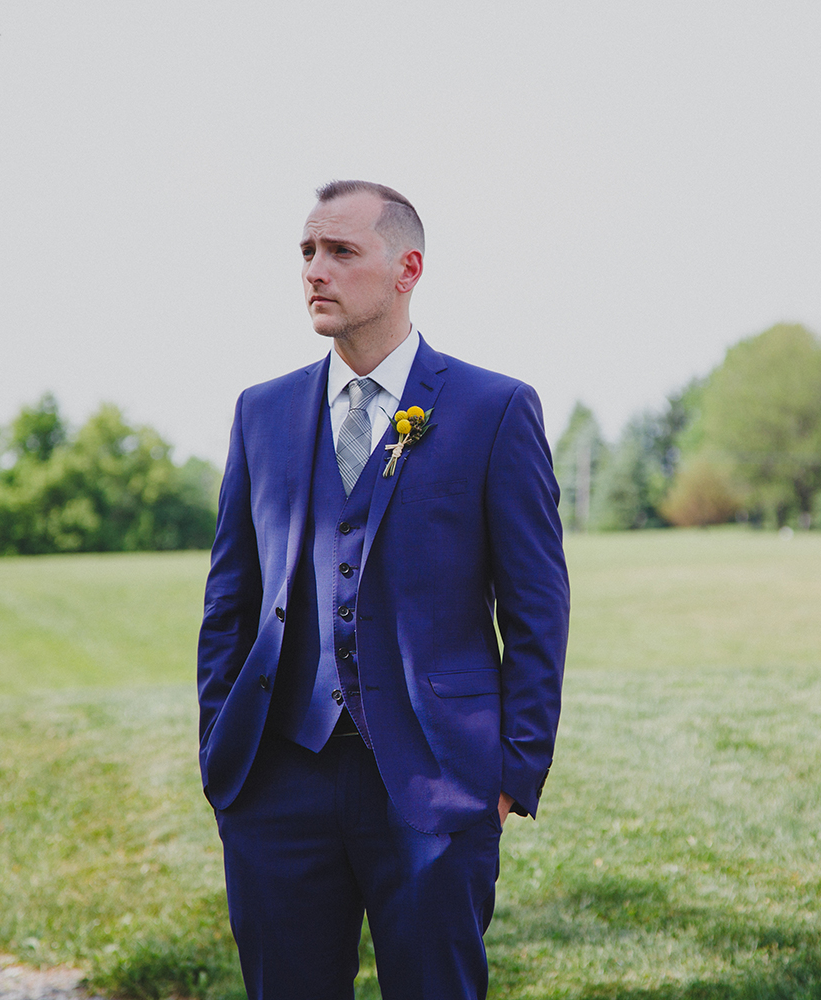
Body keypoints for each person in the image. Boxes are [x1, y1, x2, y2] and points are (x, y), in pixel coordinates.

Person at [197, 181, 569, 999]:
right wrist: (221, 754)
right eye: (305, 252)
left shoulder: (493, 408)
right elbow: (229, 600)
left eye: (340, 252)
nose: (314, 272)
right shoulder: (260, 412)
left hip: (437, 783)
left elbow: (537, 607)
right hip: (275, 782)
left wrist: (513, 771)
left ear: (408, 269)